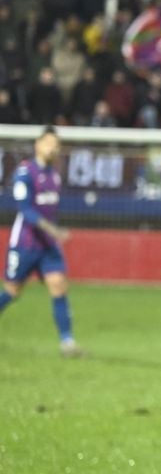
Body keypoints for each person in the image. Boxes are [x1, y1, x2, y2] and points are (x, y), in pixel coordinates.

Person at [0, 126, 81, 357]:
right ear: (38, 144)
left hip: (47, 246)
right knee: (12, 291)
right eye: (48, 142)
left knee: (58, 286)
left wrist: (52, 233)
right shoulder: (25, 173)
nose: (53, 147)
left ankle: (67, 343)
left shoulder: (55, 175)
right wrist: (52, 229)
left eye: (56, 144)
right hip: (25, 243)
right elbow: (25, 210)